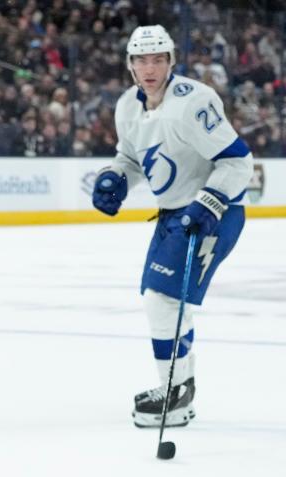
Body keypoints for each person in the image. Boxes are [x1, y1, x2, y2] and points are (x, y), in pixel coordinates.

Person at [91, 25, 253, 428]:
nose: (150, 68)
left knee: (160, 301)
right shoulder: (128, 106)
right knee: (164, 301)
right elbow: (129, 157)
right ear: (130, 65)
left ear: (171, 61)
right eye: (142, 60)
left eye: (158, 59)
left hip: (215, 212)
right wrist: (116, 177)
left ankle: (175, 393)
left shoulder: (193, 102)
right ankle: (181, 386)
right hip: (172, 214)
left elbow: (238, 161)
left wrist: (209, 201)